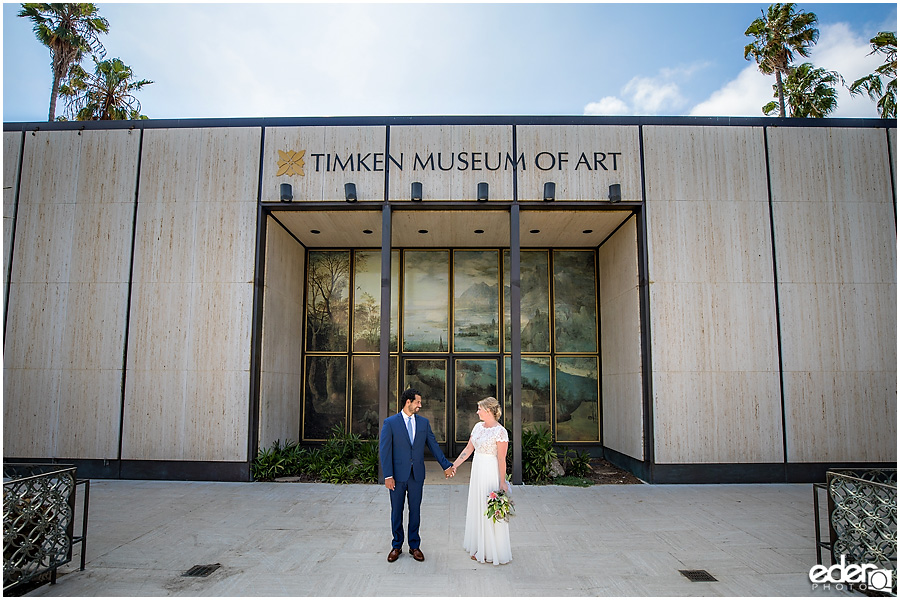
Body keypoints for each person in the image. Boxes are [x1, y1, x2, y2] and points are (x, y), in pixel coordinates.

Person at [379, 387, 456, 563]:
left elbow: (434, 446)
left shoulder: (423, 423)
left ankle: (414, 546)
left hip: (417, 476)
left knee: (415, 511)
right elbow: (384, 451)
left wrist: (446, 465)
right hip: (397, 476)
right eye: (418, 402)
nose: (420, 405)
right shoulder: (390, 423)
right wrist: (388, 475)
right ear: (409, 402)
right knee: (396, 511)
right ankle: (396, 545)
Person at [451, 396, 512, 565]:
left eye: (479, 409)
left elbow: (501, 459)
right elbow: (469, 448)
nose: (477, 412)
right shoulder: (478, 427)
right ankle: (479, 545)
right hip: (477, 471)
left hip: (490, 472)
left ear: (488, 411)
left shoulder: (501, 432)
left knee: (488, 507)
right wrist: (454, 465)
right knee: (478, 506)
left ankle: (491, 549)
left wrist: (502, 482)